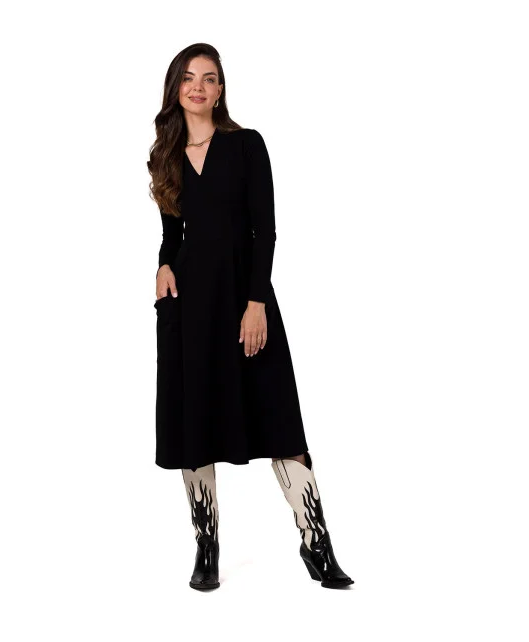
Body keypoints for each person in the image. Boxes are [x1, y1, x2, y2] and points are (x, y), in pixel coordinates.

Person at [147, 43, 353, 590]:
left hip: (245, 298)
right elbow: (172, 234)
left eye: (209, 78)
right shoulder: (166, 155)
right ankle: (206, 547)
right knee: (195, 424)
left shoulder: (246, 145)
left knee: (279, 416)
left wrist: (256, 301)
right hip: (189, 307)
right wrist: (163, 265)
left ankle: (317, 543)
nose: (198, 87)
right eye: (188, 78)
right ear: (176, 88)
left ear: (220, 90)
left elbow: (266, 229)